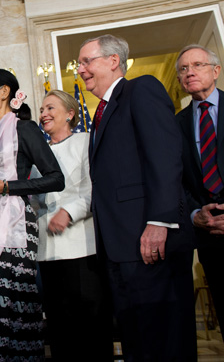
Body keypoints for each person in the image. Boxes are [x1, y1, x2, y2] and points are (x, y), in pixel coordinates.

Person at [79, 34, 197, 361]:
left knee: (164, 341)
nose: (80, 68)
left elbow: (164, 156)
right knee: (138, 340)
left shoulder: (141, 89)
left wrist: (159, 221)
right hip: (120, 247)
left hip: (150, 241)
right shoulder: (101, 114)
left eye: (87, 60)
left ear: (113, 61)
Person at [0, 69, 65, 361]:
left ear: (5, 91)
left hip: (15, 232)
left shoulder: (24, 128)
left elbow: (56, 178)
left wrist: (6, 186)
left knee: (11, 315)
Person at [35, 90, 113, 361]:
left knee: (91, 326)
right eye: (42, 108)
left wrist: (69, 212)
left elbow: (98, 188)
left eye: (50, 108)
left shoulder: (85, 142)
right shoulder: (37, 154)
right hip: (47, 252)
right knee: (59, 328)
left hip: (82, 248)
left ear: (70, 114)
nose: (43, 113)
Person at [176, 44, 224, 339]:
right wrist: (194, 214)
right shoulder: (174, 124)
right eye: (183, 68)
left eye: (197, 65)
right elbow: (175, 180)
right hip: (210, 238)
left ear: (215, 70)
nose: (190, 72)